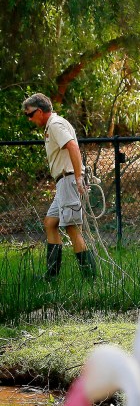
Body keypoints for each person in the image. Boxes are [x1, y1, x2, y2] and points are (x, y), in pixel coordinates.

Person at [22, 93, 96, 279]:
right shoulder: (52, 126)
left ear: (39, 111)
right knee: (50, 223)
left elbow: (72, 147)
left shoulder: (55, 125)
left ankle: (91, 279)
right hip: (64, 181)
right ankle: (51, 277)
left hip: (69, 180)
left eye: (29, 114)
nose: (29, 119)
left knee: (72, 229)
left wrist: (78, 178)